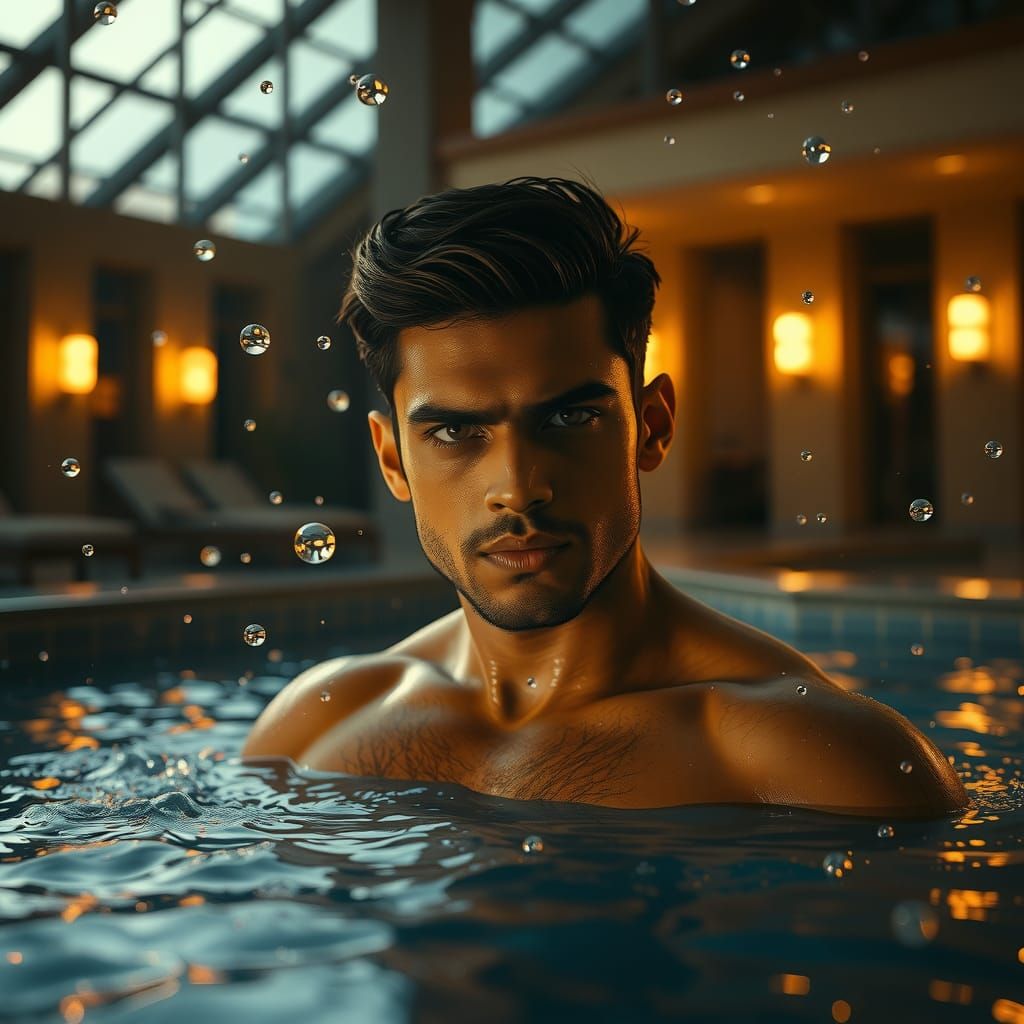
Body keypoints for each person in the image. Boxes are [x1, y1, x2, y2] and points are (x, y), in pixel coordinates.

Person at [242, 176, 969, 818]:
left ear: (650, 428)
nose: (518, 488)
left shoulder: (823, 760)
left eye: (569, 417)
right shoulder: (316, 723)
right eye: (458, 432)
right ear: (393, 460)